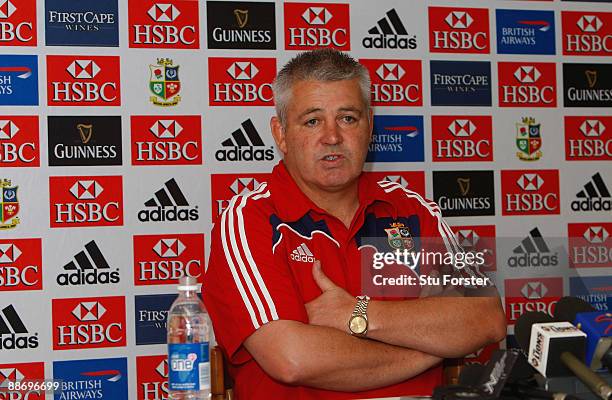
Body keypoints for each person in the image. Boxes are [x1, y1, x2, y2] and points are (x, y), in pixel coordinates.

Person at [203, 49, 507, 399]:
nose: (332, 137)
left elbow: (486, 317)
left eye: (347, 118)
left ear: (370, 125)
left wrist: (355, 312)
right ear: (281, 133)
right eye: (312, 121)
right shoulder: (248, 218)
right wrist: (435, 346)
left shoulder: (412, 209)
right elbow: (291, 359)